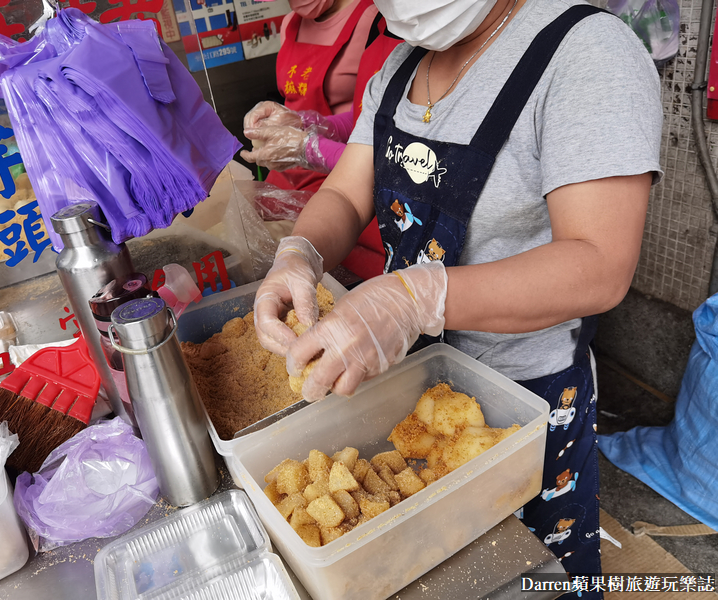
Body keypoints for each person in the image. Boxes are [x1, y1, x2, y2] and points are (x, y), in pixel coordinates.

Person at [252, 0, 663, 596]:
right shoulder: (397, 67)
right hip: (408, 387)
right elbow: (344, 193)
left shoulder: (585, 52)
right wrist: (299, 255)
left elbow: (600, 264)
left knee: (531, 577)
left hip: (528, 406)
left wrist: (415, 297)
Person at [242, 8, 402, 279]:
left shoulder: (383, 24)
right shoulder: (386, 30)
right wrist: (302, 122)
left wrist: (308, 148)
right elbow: (364, 119)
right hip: (342, 207)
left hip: (386, 229)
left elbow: (391, 166)